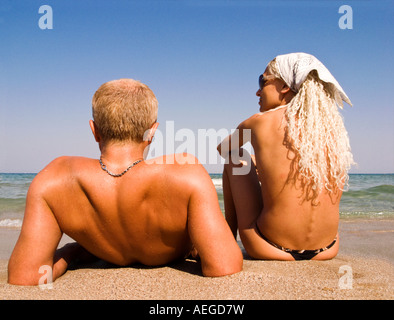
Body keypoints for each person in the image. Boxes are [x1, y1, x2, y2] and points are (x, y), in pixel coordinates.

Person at [8, 79, 242, 285]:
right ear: (152, 132)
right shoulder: (186, 172)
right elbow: (224, 267)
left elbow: (26, 276)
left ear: (94, 130)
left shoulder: (54, 178)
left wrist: (72, 252)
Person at [217, 53, 354, 261]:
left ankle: (225, 241)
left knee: (236, 156)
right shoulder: (332, 130)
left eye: (262, 81)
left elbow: (223, 148)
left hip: (267, 245)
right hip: (327, 249)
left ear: (284, 86)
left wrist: (253, 161)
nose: (257, 91)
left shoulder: (259, 122)